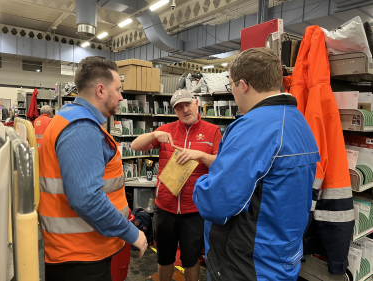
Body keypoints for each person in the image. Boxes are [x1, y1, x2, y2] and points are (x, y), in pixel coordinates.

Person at [192, 47, 320, 281]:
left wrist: (202, 182)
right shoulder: (300, 123)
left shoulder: (254, 126)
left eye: (231, 86)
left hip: (246, 264)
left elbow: (216, 203)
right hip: (281, 258)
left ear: (244, 84)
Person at [38, 56, 147, 281]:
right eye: (117, 89)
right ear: (100, 90)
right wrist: (131, 233)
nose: (121, 96)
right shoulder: (82, 128)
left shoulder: (69, 117)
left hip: (77, 253)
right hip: (81, 257)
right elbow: (86, 198)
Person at [131, 89, 222, 281]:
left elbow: (222, 164)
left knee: (190, 259)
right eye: (179, 107)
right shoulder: (166, 130)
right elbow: (135, 146)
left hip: (195, 209)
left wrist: (201, 155)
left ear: (196, 103)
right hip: (165, 208)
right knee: (164, 258)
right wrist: (154, 134)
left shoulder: (212, 131)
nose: (185, 109)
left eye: (188, 104)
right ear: (175, 111)